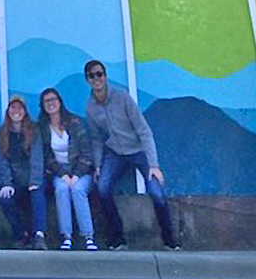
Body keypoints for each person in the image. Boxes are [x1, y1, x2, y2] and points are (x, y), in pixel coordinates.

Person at [84, 60, 180, 250]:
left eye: (99, 74)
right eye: (92, 75)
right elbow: (96, 138)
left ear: (105, 76)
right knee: (102, 188)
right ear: (87, 79)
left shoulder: (122, 97)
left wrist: (154, 165)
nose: (96, 78)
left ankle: (170, 240)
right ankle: (118, 238)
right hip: (115, 153)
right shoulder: (90, 107)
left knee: (156, 192)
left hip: (138, 151)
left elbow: (144, 130)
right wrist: (97, 165)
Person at [40, 88, 97, 251]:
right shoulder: (43, 128)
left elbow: (87, 153)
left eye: (53, 99)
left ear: (60, 101)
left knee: (78, 190)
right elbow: (47, 157)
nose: (51, 104)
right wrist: (63, 174)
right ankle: (66, 236)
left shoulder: (75, 123)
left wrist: (77, 174)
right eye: (47, 101)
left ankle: (88, 236)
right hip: (60, 172)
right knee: (61, 189)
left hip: (82, 171)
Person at [0, 95, 46, 250]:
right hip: (15, 181)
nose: (16, 111)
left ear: (24, 111)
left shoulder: (34, 130)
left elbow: (37, 157)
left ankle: (39, 235)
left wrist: (35, 181)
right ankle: (21, 234)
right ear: (8, 111)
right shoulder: (1, 133)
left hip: (33, 178)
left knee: (38, 194)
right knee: (5, 199)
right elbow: (2, 160)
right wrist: (6, 183)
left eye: (19, 108)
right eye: (13, 107)